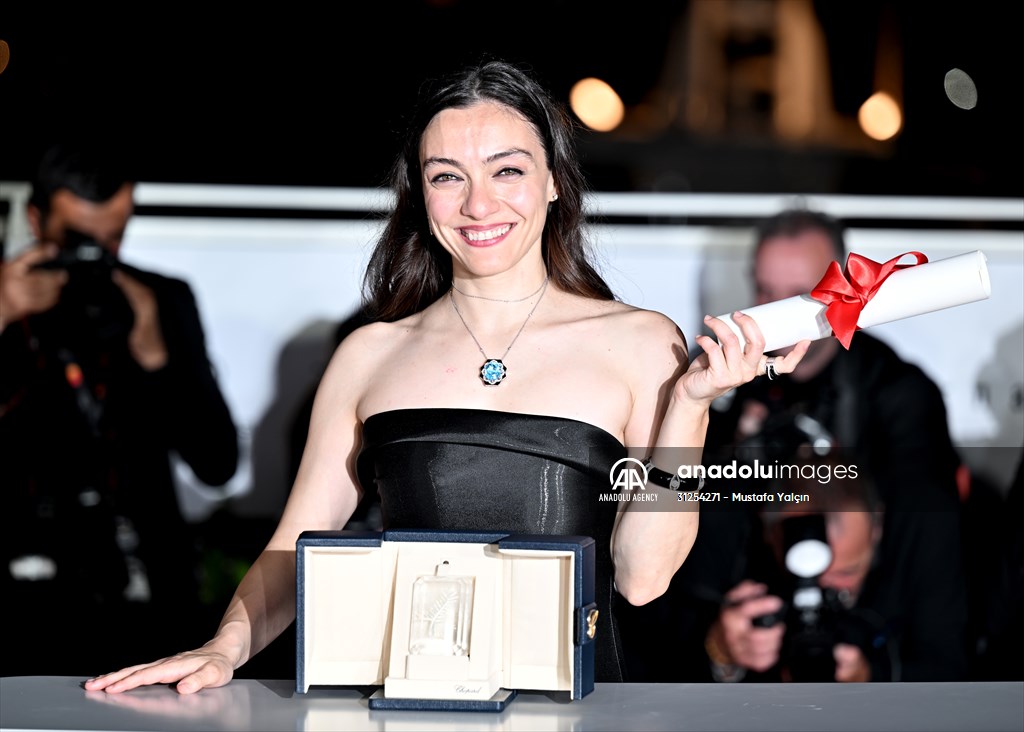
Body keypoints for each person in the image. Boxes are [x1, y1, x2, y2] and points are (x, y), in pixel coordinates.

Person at [84, 59, 808, 695]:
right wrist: (226, 647)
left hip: (580, 709)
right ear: (420, 195)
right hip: (406, 705)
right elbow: (296, 542)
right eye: (446, 177)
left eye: (507, 170)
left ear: (554, 182)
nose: (478, 205)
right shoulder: (369, 354)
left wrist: (690, 406)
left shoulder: (640, 342)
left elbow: (644, 581)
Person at [620, 207, 968, 682]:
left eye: (799, 296)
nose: (776, 314)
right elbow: (674, 538)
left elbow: (928, 557)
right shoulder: (721, 381)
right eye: (764, 292)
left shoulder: (897, 394)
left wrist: (874, 661)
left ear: (846, 289)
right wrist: (719, 644)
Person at [0, 141, 240, 676]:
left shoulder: (157, 298)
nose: (99, 254)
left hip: (151, 593)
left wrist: (155, 352)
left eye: (115, 236)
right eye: (81, 238)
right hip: (23, 591)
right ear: (37, 220)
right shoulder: (7, 298)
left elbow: (217, 461)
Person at [703, 459, 962, 683]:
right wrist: (722, 651)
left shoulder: (923, 530)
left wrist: (872, 677)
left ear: (877, 527)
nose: (825, 588)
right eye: (808, 572)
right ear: (771, 534)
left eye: (846, 573)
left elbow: (953, 674)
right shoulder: (726, 531)